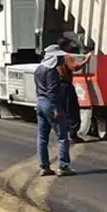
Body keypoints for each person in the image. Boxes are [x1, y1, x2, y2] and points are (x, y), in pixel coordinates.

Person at [33, 44, 73, 176]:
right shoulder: (52, 72)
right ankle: (63, 166)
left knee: (42, 137)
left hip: (40, 102)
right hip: (50, 104)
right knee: (62, 136)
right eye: (60, 57)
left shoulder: (39, 69)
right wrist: (56, 109)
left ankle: (44, 166)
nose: (62, 60)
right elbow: (52, 91)